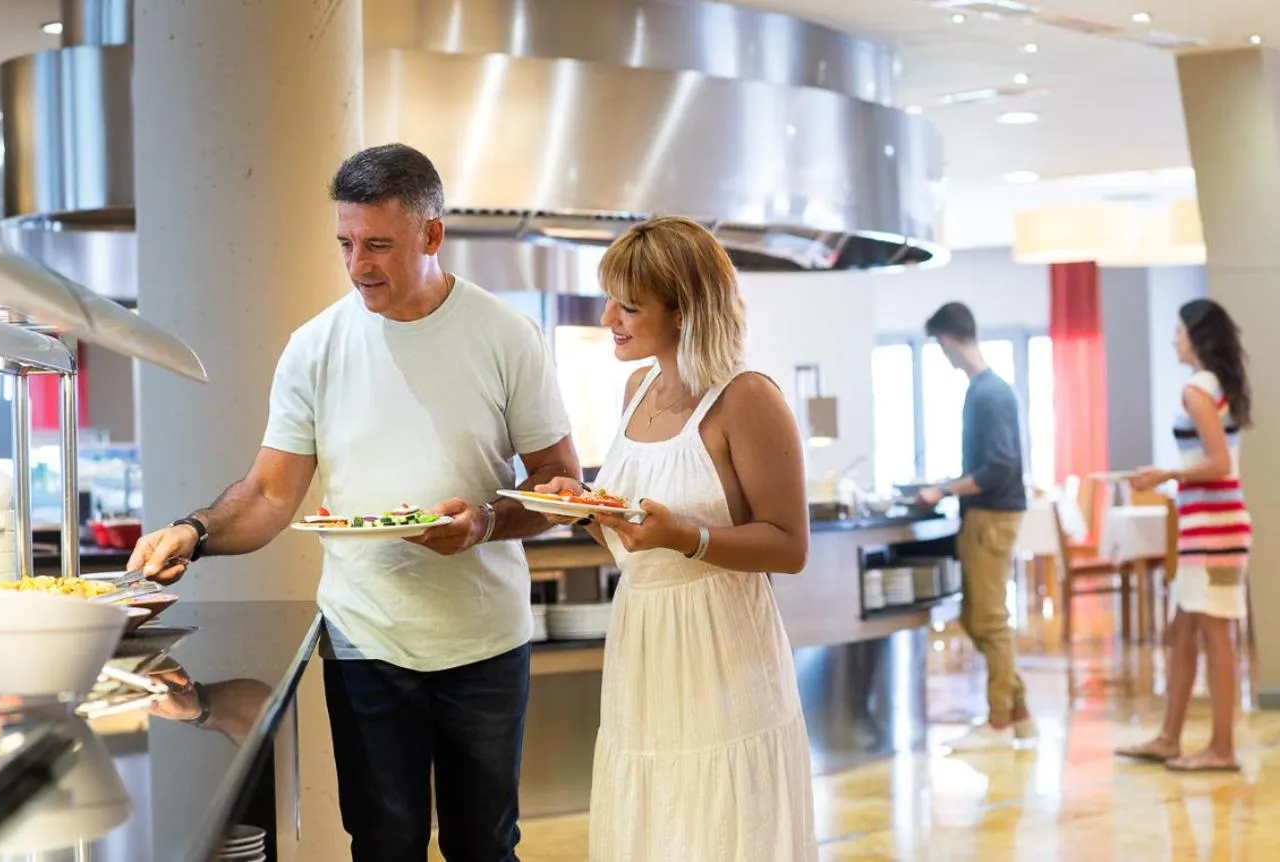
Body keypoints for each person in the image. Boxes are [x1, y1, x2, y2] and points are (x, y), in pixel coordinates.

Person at [127, 142, 580, 861]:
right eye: (345, 243)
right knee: (382, 843)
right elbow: (271, 494)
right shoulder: (315, 347)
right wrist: (196, 531)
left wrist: (489, 520)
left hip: (486, 641)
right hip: (367, 639)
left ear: (432, 235)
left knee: (485, 846)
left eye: (378, 245)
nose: (358, 265)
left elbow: (562, 485)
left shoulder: (506, 336)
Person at [533, 216, 816, 860]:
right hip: (643, 635)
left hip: (723, 643)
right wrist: (583, 509)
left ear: (685, 309)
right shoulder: (637, 390)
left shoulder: (747, 398)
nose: (610, 318)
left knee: (724, 823)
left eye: (629, 306)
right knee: (656, 817)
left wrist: (687, 537)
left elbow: (789, 545)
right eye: (611, 300)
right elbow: (634, 523)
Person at [1117, 298, 1253, 773]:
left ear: (1197, 336)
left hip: (1213, 529)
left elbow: (1217, 464)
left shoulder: (1196, 389)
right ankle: (1169, 737)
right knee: (1183, 633)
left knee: (1216, 636)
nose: (1174, 338)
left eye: (1178, 331)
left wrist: (1165, 475)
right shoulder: (1216, 386)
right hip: (1212, 527)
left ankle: (1222, 748)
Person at [916, 302, 1036, 752]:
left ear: (947, 340)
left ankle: (1000, 721)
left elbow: (999, 466)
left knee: (989, 619)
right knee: (976, 616)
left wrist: (944, 490)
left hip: (990, 516)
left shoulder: (988, 393)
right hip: (985, 515)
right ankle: (1019, 714)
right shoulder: (988, 391)